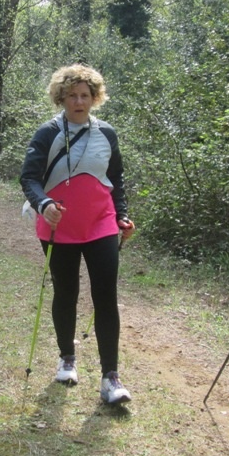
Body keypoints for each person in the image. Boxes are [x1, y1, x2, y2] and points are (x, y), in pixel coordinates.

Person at [19, 64, 136, 405]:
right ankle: (67, 358)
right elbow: (29, 177)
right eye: (72, 95)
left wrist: (122, 215)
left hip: (101, 222)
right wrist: (43, 204)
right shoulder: (47, 133)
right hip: (58, 224)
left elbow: (116, 178)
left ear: (95, 98)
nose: (79, 102)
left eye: (85, 95)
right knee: (66, 291)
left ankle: (110, 377)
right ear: (61, 97)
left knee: (106, 295)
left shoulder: (107, 133)